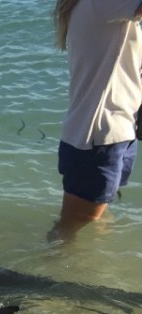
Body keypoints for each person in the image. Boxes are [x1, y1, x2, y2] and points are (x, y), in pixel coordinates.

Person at [52, 0, 142, 240]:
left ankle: (93, 269)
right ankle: (45, 273)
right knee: (70, 229)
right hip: (97, 137)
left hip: (119, 131)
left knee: (94, 218)